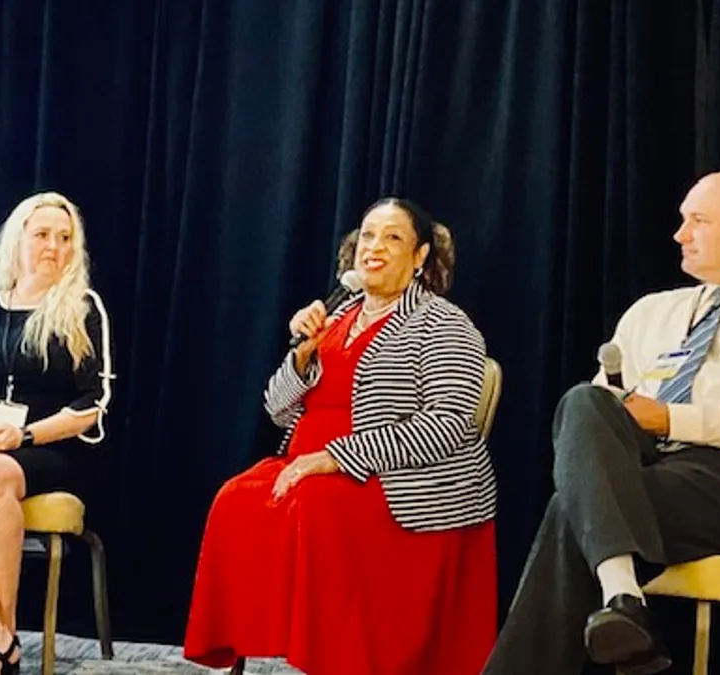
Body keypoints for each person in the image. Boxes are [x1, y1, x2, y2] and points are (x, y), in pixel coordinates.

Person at [482, 170, 720, 675]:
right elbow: (596, 423)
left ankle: (624, 603)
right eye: (681, 221)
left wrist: (675, 417)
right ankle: (623, 597)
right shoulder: (650, 312)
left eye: (699, 220)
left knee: (573, 508)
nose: (680, 234)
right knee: (585, 401)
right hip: (642, 469)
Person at [183, 198, 498, 675]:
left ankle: (334, 660)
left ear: (420, 258)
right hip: (309, 465)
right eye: (368, 235)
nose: (375, 247)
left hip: (402, 482)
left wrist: (335, 457)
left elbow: (448, 423)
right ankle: (263, 645)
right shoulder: (337, 317)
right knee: (235, 499)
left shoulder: (445, 324)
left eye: (393, 238)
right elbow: (276, 408)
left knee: (315, 506)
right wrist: (303, 357)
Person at [0, 192, 114, 675]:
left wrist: (23, 436)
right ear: (19, 241)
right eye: (43, 235)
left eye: (65, 238)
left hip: (51, 447)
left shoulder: (82, 309)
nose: (53, 246)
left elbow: (92, 405)